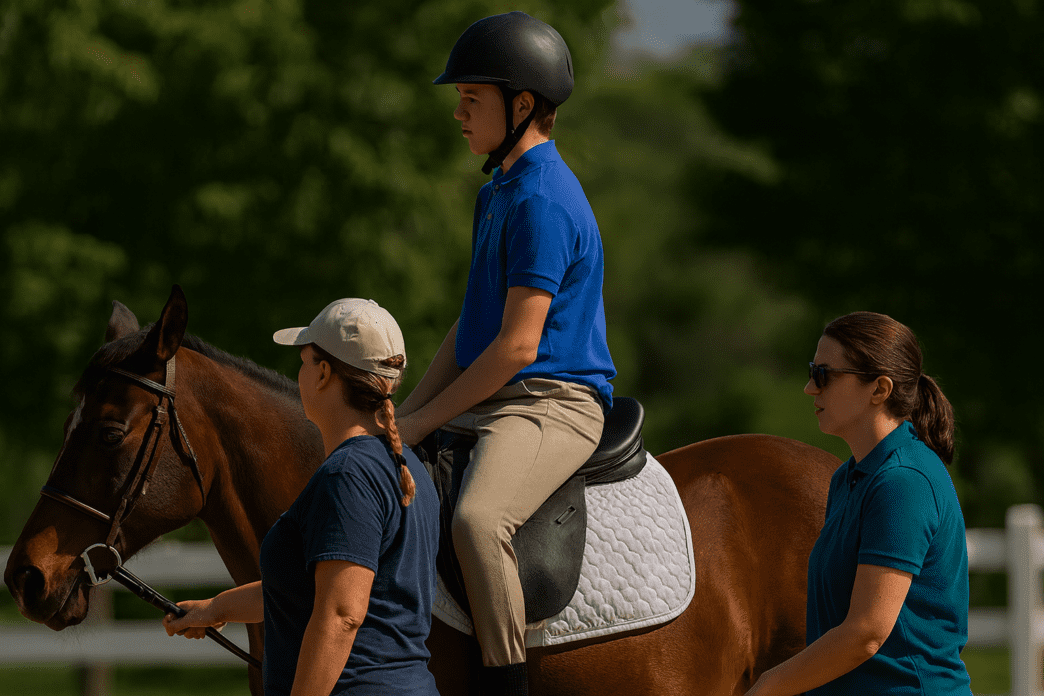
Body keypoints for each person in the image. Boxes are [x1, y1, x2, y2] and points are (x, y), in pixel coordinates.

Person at [394, 11, 616, 696]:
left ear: (523, 106)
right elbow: (471, 330)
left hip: (554, 403)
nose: (458, 114)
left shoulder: (544, 200)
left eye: (471, 100)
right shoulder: (499, 192)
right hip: (499, 393)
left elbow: (518, 345)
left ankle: (504, 684)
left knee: (477, 519)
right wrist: (404, 414)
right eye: (458, 100)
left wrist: (426, 424)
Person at [162, 298, 440, 696]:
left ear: (324, 373)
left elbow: (342, 613)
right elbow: (308, 586)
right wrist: (216, 609)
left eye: (305, 361)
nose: (299, 373)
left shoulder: (348, 475)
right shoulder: (404, 466)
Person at [745, 311, 971, 696]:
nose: (809, 388)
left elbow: (866, 633)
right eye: (812, 370)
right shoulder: (849, 477)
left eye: (824, 375)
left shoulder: (904, 482)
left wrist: (768, 686)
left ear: (879, 389)